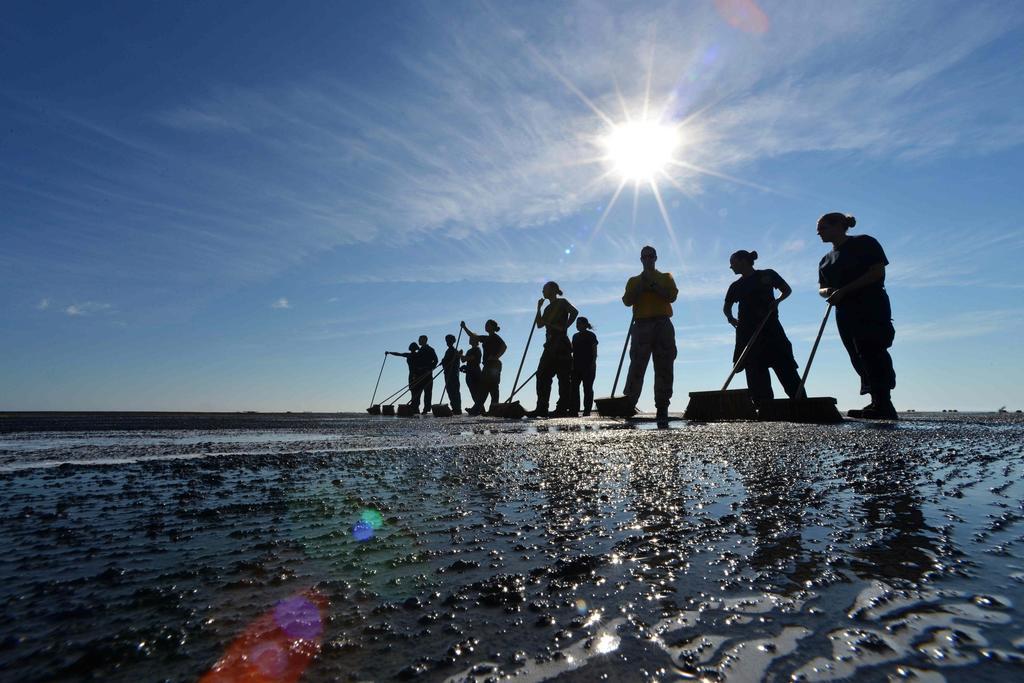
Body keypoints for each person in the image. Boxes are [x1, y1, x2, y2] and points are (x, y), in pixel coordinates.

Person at [817, 212, 897, 420]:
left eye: (823, 227)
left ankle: (884, 403)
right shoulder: (825, 260)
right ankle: (875, 401)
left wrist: (845, 290)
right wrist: (831, 292)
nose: (818, 232)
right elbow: (821, 288)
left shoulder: (865, 243)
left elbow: (877, 272)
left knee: (871, 349)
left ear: (838, 226)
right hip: (844, 311)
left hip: (871, 305)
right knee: (856, 354)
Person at [723, 250, 805, 406]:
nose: (730, 267)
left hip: (770, 328)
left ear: (742, 261)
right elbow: (726, 307)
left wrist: (778, 301)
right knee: (754, 370)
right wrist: (730, 318)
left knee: (784, 365)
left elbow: (786, 290)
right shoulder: (736, 286)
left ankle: (801, 403)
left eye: (732, 263)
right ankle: (763, 406)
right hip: (747, 332)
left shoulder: (767, 275)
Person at [622, 245, 679, 420]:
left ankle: (662, 405)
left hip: (662, 323)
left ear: (655, 258)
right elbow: (627, 301)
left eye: (650, 256)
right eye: (644, 257)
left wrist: (653, 285)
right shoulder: (633, 281)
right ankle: (629, 403)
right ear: (641, 259)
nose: (647, 259)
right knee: (637, 365)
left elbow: (671, 297)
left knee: (664, 365)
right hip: (641, 325)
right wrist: (640, 287)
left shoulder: (666, 277)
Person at [528, 281, 578, 418]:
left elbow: (574, 312)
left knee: (563, 377)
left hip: (561, 343)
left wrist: (566, 326)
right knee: (542, 375)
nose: (543, 291)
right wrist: (538, 308)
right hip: (549, 345)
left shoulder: (562, 303)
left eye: (545, 289)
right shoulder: (547, 309)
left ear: (553, 290)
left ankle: (562, 408)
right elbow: (539, 324)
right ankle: (542, 407)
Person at [460, 319, 507, 415]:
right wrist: (464, 328)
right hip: (487, 365)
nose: (485, 326)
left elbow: (504, 346)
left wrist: (496, 356)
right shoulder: (486, 338)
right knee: (483, 388)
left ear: (493, 327)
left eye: (487, 325)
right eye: (485, 325)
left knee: (493, 387)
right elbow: (473, 336)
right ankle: (476, 409)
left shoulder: (495, 337)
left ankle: (493, 409)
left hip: (493, 365)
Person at [571, 317, 598, 416]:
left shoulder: (591, 335)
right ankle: (574, 410)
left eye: (579, 323)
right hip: (576, 366)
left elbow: (594, 350)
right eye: (576, 324)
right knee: (574, 388)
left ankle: (587, 411)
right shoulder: (575, 336)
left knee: (587, 388)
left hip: (588, 366)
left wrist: (593, 363)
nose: (577, 325)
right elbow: (572, 351)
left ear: (585, 324)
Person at [386, 342, 422, 409]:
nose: (412, 349)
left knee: (416, 389)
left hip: (416, 374)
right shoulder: (409, 355)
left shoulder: (418, 355)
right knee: (412, 389)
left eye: (413, 348)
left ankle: (415, 405)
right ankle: (414, 404)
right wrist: (390, 352)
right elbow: (399, 354)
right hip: (411, 374)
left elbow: (399, 354)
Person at [413, 335, 439, 414]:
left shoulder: (430, 349)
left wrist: (430, 368)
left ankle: (426, 409)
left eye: (420, 339)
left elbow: (436, 360)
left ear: (424, 340)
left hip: (427, 373)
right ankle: (415, 407)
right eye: (419, 339)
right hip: (418, 374)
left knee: (427, 391)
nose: (419, 341)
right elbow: (416, 363)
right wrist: (415, 373)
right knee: (417, 391)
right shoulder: (419, 351)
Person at [439, 334, 463, 414]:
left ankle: (457, 409)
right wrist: (443, 362)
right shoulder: (449, 351)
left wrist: (447, 361)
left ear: (452, 341)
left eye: (449, 340)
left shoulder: (454, 351)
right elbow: (446, 361)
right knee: (450, 390)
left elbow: (454, 362)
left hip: (453, 374)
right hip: (447, 373)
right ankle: (455, 407)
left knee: (454, 391)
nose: (447, 342)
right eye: (447, 340)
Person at [461, 337, 483, 410]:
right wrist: (460, 355)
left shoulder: (477, 349)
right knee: (473, 392)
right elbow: (463, 360)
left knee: (477, 391)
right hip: (469, 372)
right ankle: (478, 408)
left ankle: (479, 409)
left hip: (475, 371)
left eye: (471, 339)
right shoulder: (469, 350)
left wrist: (462, 356)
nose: (469, 340)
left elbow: (471, 358)